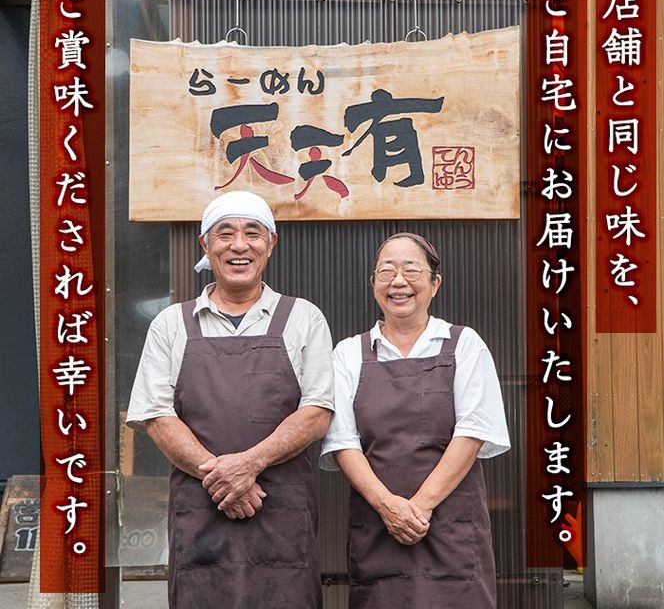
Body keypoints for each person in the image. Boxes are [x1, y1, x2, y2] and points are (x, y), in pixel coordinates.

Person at [127, 190, 334, 609]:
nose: (239, 245)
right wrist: (225, 479)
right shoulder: (171, 324)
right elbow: (156, 416)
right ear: (206, 245)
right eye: (225, 234)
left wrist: (249, 464)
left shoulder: (303, 317)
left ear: (271, 243)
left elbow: (316, 413)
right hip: (202, 518)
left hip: (282, 519)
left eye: (252, 233)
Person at [320, 232, 510, 608]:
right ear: (373, 283)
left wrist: (419, 507)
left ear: (435, 282)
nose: (398, 281)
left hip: (450, 524)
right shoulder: (348, 353)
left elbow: (472, 432)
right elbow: (343, 441)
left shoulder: (463, 344)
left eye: (411, 270)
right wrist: (389, 507)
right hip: (378, 522)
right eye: (386, 271)